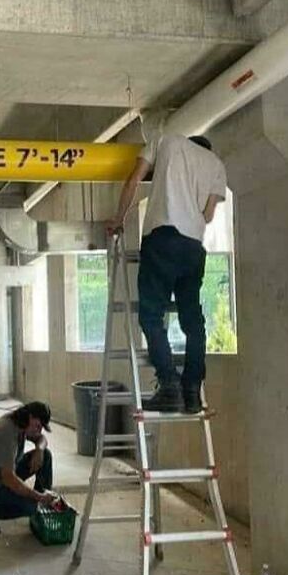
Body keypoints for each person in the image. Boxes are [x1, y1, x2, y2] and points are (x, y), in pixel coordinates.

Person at [107, 133, 227, 414]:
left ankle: (169, 384)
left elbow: (134, 180)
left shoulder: (167, 141)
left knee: (151, 315)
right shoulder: (216, 164)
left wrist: (119, 219)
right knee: (193, 321)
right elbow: (207, 216)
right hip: (193, 247)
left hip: (162, 237)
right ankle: (192, 391)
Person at [0, 401, 59, 535]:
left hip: (4, 473)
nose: (38, 430)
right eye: (38, 426)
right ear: (30, 417)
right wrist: (38, 498)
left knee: (45, 456)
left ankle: (41, 503)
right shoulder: (4, 434)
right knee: (31, 506)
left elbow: (41, 439)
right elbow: (9, 479)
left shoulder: (21, 422)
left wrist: (40, 450)